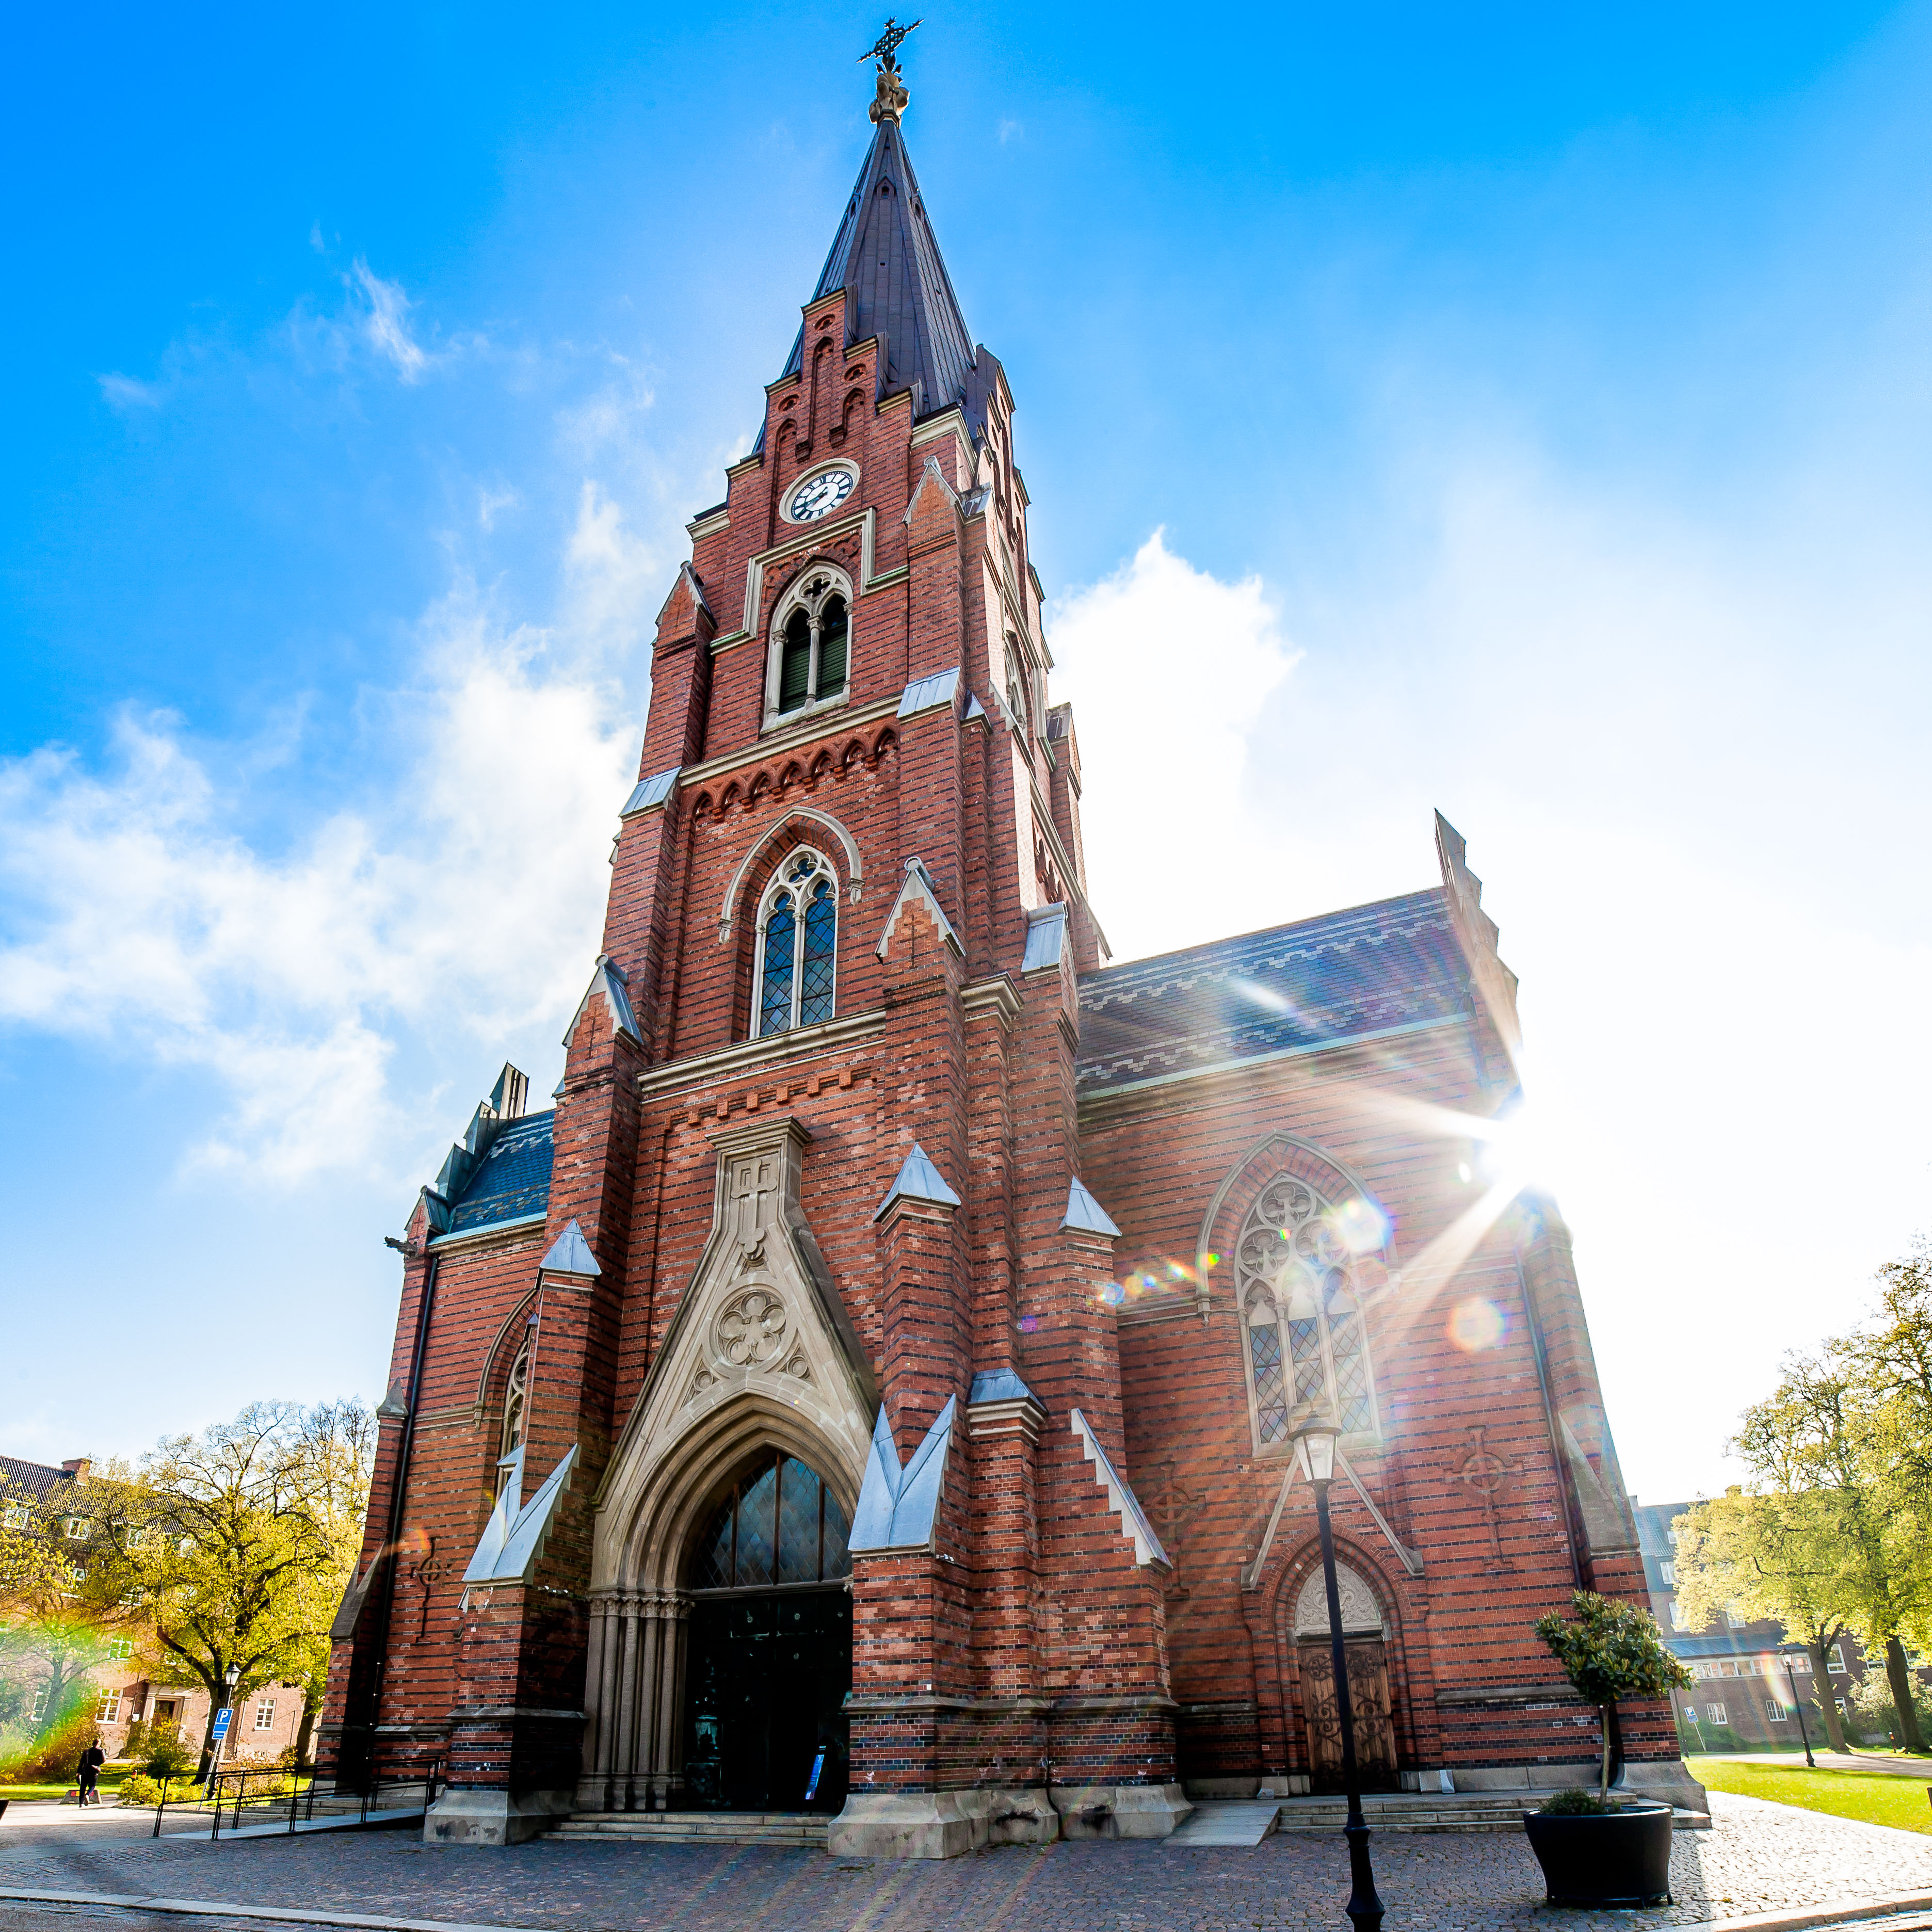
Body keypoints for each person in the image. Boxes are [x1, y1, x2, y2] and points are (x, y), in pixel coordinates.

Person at [75, 1742, 105, 1806]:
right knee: (92, 1785)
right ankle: (88, 1795)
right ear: (99, 1744)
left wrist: (78, 1772)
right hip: (94, 1771)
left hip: (85, 1771)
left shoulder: (87, 1751)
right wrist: (97, 1766)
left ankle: (81, 1803)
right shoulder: (101, 1750)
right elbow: (103, 1760)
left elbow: (82, 1762)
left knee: (83, 1787)